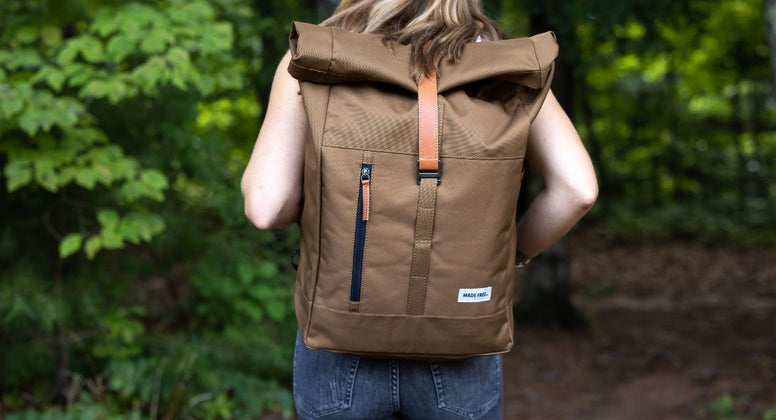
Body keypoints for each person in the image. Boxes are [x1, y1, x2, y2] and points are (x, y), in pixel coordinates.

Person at [241, 0, 598, 418]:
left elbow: (267, 205)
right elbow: (578, 190)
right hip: (461, 339)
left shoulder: (318, 56)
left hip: (339, 335)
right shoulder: (504, 63)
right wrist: (507, 254)